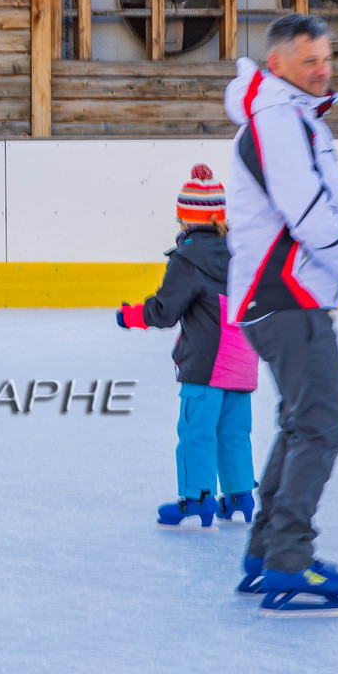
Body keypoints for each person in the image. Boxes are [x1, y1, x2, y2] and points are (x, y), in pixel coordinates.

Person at [224, 13, 338, 616]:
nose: (323, 70)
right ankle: (289, 564)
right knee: (320, 424)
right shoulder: (275, 120)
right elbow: (308, 211)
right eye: (309, 61)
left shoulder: (295, 118)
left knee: (301, 423)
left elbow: (337, 199)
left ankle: (266, 555)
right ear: (278, 65)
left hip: (289, 296)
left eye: (326, 58)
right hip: (283, 296)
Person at [116, 164, 256, 530]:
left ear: (186, 220)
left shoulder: (188, 257)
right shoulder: (241, 251)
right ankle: (241, 496)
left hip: (206, 363)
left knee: (197, 430)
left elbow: (164, 311)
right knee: (234, 431)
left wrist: (131, 316)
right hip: (243, 359)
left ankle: (197, 500)